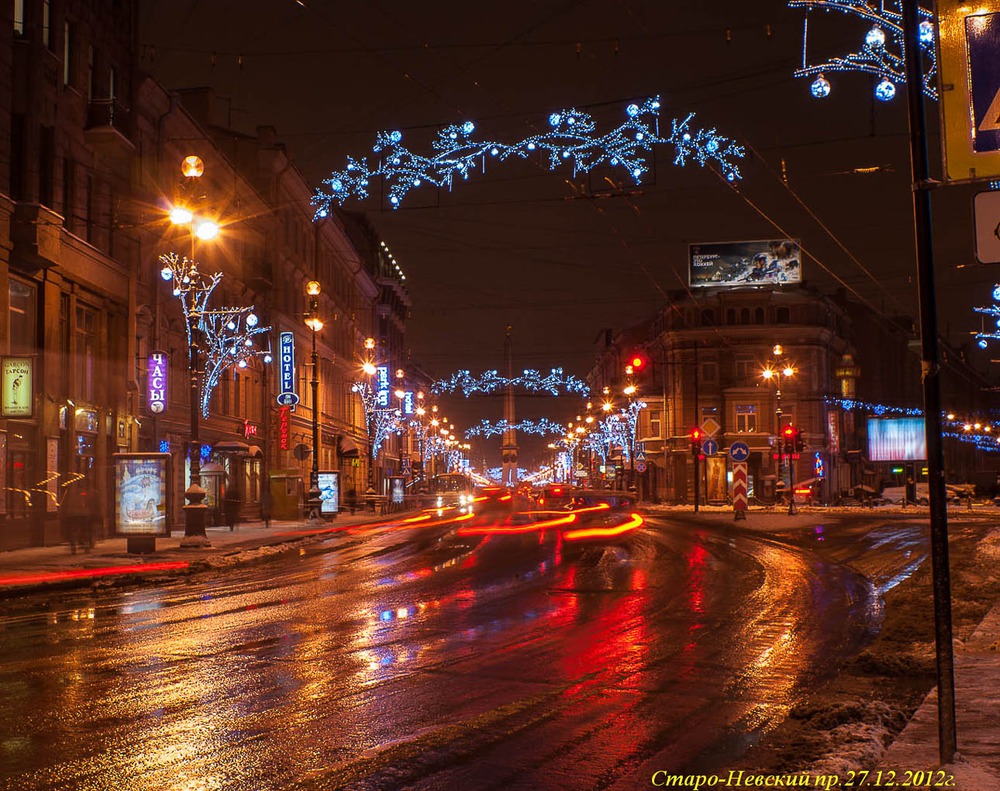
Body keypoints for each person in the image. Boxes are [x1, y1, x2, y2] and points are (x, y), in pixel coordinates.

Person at [61, 480, 98, 553]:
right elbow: (89, 503)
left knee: (73, 531)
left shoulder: (69, 492)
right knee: (85, 531)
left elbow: (64, 503)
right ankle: (86, 546)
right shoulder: (86, 493)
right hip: (84, 514)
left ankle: (73, 546)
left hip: (72, 514)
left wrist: (65, 512)